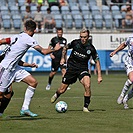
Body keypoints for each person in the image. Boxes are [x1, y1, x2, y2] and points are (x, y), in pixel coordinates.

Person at [0, 20, 61, 117]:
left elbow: (3, 42)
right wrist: (55, 49)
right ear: (34, 30)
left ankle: (25, 108)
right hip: (6, 69)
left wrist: (29, 65)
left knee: (33, 82)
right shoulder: (29, 39)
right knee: (2, 95)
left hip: (15, 68)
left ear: (25, 28)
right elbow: (44, 52)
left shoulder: (17, 36)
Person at [51, 28, 102, 112]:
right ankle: (57, 94)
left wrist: (99, 76)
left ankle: (85, 107)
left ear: (88, 37)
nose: (83, 39)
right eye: (81, 37)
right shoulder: (75, 43)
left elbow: (97, 61)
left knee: (87, 85)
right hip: (72, 68)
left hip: (83, 69)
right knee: (62, 90)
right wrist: (63, 59)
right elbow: (65, 48)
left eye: (85, 37)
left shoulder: (91, 48)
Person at [110, 34, 133, 109]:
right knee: (132, 79)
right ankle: (122, 95)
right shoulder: (130, 38)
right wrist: (114, 52)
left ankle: (125, 100)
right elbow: (124, 45)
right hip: (130, 63)